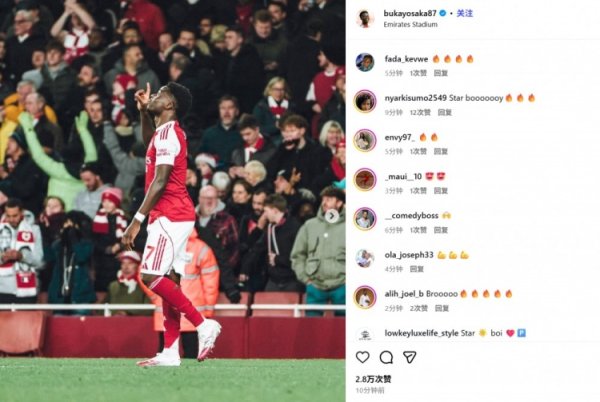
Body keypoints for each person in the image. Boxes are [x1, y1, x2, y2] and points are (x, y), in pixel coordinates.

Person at [121, 82, 221, 367]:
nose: (153, 95)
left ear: (169, 104)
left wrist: (136, 220)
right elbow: (149, 145)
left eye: (160, 93)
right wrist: (143, 111)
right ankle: (170, 351)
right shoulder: (165, 133)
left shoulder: (169, 135)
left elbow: (160, 180)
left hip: (170, 214)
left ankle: (203, 324)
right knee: (170, 279)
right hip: (173, 214)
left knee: (150, 276)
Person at [291, 186, 345, 316]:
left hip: (343, 285)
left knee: (345, 325)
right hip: (315, 285)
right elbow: (298, 255)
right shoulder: (309, 226)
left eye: (329, 199)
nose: (324, 203)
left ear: (339, 203)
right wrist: (306, 279)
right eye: (323, 199)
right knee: (312, 325)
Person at [242, 194, 304, 292]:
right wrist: (245, 269)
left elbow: (300, 257)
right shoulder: (270, 228)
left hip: (292, 280)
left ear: (275, 210)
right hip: (273, 280)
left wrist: (277, 259)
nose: (264, 215)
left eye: (266, 211)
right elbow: (258, 249)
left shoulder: (295, 228)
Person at [0, 198, 44, 303]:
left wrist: (21, 256)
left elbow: (40, 262)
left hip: (28, 290)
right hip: (2, 289)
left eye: (15, 216)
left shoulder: (34, 230)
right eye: (8, 216)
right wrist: (3, 257)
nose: (11, 219)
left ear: (22, 213)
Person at [105, 250, 152, 316]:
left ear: (138, 266)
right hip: (114, 321)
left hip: (137, 322)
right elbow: (102, 308)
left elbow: (150, 309)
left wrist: (128, 313)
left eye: (130, 263)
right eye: (123, 263)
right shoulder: (113, 286)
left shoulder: (145, 286)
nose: (126, 267)